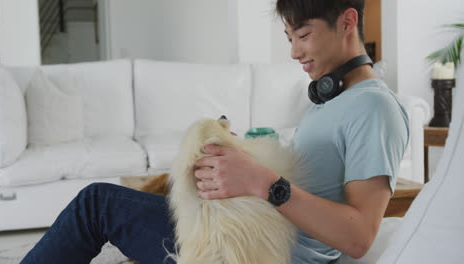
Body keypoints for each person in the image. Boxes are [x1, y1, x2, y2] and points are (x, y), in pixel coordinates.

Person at [22, 0, 409, 263]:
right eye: (289, 38)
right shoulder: (331, 99)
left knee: (96, 205)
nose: (294, 52)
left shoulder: (373, 107)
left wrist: (263, 182)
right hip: (246, 230)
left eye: (303, 35)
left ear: (348, 21)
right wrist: (244, 162)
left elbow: (359, 236)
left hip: (254, 251)